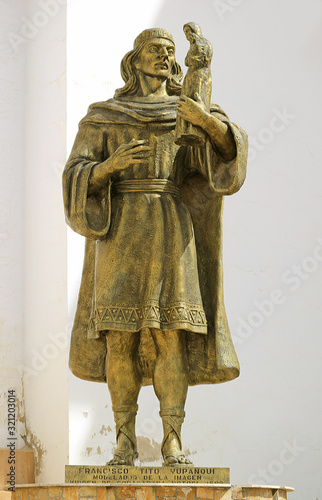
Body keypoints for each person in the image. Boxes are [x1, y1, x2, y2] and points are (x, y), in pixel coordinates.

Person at [63, 27, 248, 467]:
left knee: (172, 338)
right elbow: (74, 172)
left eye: (170, 52)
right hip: (121, 232)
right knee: (119, 339)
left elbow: (224, 157)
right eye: (155, 50)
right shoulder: (104, 116)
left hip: (170, 229)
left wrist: (205, 120)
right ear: (135, 60)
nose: (164, 57)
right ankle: (124, 442)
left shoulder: (188, 112)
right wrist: (106, 168)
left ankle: (171, 442)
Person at [175, 22, 213, 146]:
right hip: (191, 75)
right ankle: (186, 132)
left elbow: (205, 59)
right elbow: (186, 61)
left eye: (188, 31)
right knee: (186, 99)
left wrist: (192, 60)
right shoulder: (192, 46)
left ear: (194, 30)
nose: (187, 35)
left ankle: (196, 132)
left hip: (200, 75)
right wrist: (190, 60)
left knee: (196, 99)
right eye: (185, 32)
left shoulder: (204, 43)